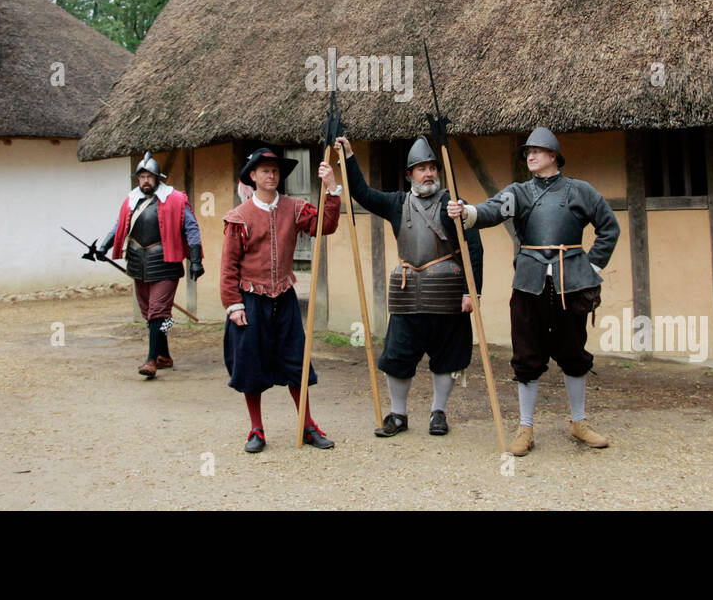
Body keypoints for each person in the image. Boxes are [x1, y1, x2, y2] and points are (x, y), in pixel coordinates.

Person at [449, 127, 619, 456]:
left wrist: (591, 268)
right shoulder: (519, 192)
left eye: (537, 151)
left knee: (573, 352)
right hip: (529, 281)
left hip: (571, 284)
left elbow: (609, 227)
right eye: (527, 151)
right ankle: (526, 427)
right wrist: (467, 212)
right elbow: (491, 211)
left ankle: (579, 422)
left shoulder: (580, 191)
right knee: (527, 355)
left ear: (554, 156)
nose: (530, 155)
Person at [335, 135, 483, 437]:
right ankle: (398, 415)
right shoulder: (396, 204)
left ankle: (438, 413)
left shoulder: (454, 206)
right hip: (407, 293)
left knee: (447, 356)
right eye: (421, 169)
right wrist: (349, 156)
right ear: (409, 175)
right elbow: (362, 193)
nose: (428, 174)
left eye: (432, 168)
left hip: (447, 293)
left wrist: (472, 291)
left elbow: (474, 249)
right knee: (397, 356)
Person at [221, 148, 340, 452]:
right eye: (264, 171)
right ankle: (256, 430)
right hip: (250, 300)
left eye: (274, 171)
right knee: (251, 365)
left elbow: (325, 225)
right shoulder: (239, 218)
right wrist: (233, 304)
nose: (271, 176)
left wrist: (332, 188)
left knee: (296, 363)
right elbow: (229, 265)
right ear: (253, 176)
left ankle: (307, 426)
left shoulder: (294, 208)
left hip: (284, 298)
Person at [92, 152, 203, 378]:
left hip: (165, 261)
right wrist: (103, 246)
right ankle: (164, 355)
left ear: (157, 177)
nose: (145, 181)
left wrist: (196, 260)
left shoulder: (175, 199)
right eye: (141, 176)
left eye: (149, 176)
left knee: (157, 311)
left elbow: (192, 229)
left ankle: (151, 361)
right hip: (137, 262)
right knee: (149, 312)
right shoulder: (131, 200)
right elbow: (119, 226)